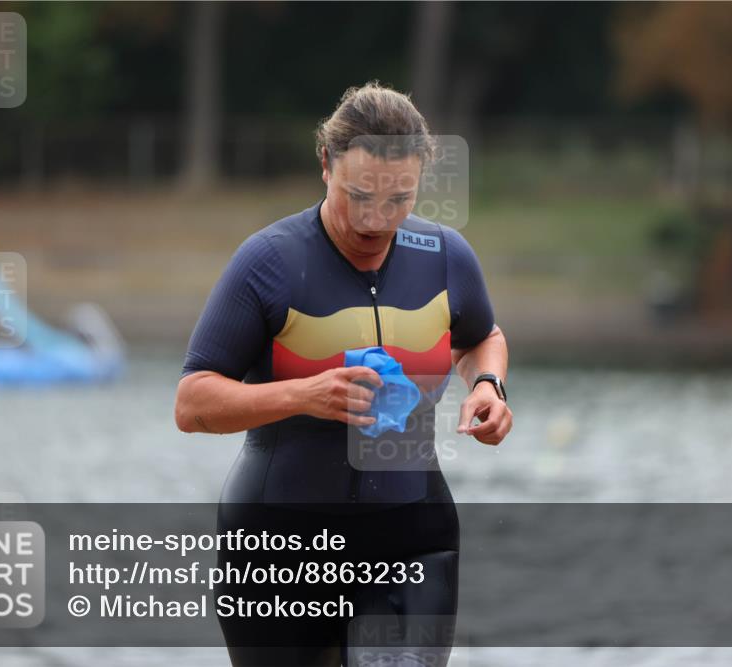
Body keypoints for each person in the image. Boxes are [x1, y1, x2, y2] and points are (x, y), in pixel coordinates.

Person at [175, 81, 512, 666]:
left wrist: (488, 385)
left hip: (412, 542)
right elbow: (192, 404)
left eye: (399, 199)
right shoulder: (270, 262)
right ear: (325, 165)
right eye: (359, 196)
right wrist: (303, 394)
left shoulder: (446, 256)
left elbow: (482, 336)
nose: (376, 219)